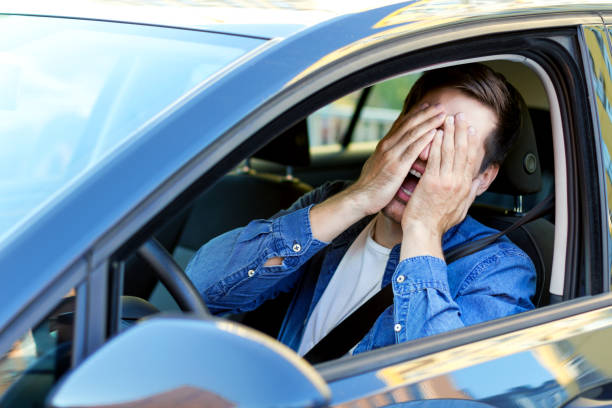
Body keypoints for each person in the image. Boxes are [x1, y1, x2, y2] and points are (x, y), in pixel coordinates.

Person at [186, 63, 536, 357]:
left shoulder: (499, 269)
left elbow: (446, 393)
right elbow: (200, 288)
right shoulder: (332, 206)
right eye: (424, 129)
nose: (428, 153)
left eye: (453, 146)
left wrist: (424, 230)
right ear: (395, 128)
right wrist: (356, 198)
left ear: (483, 178)